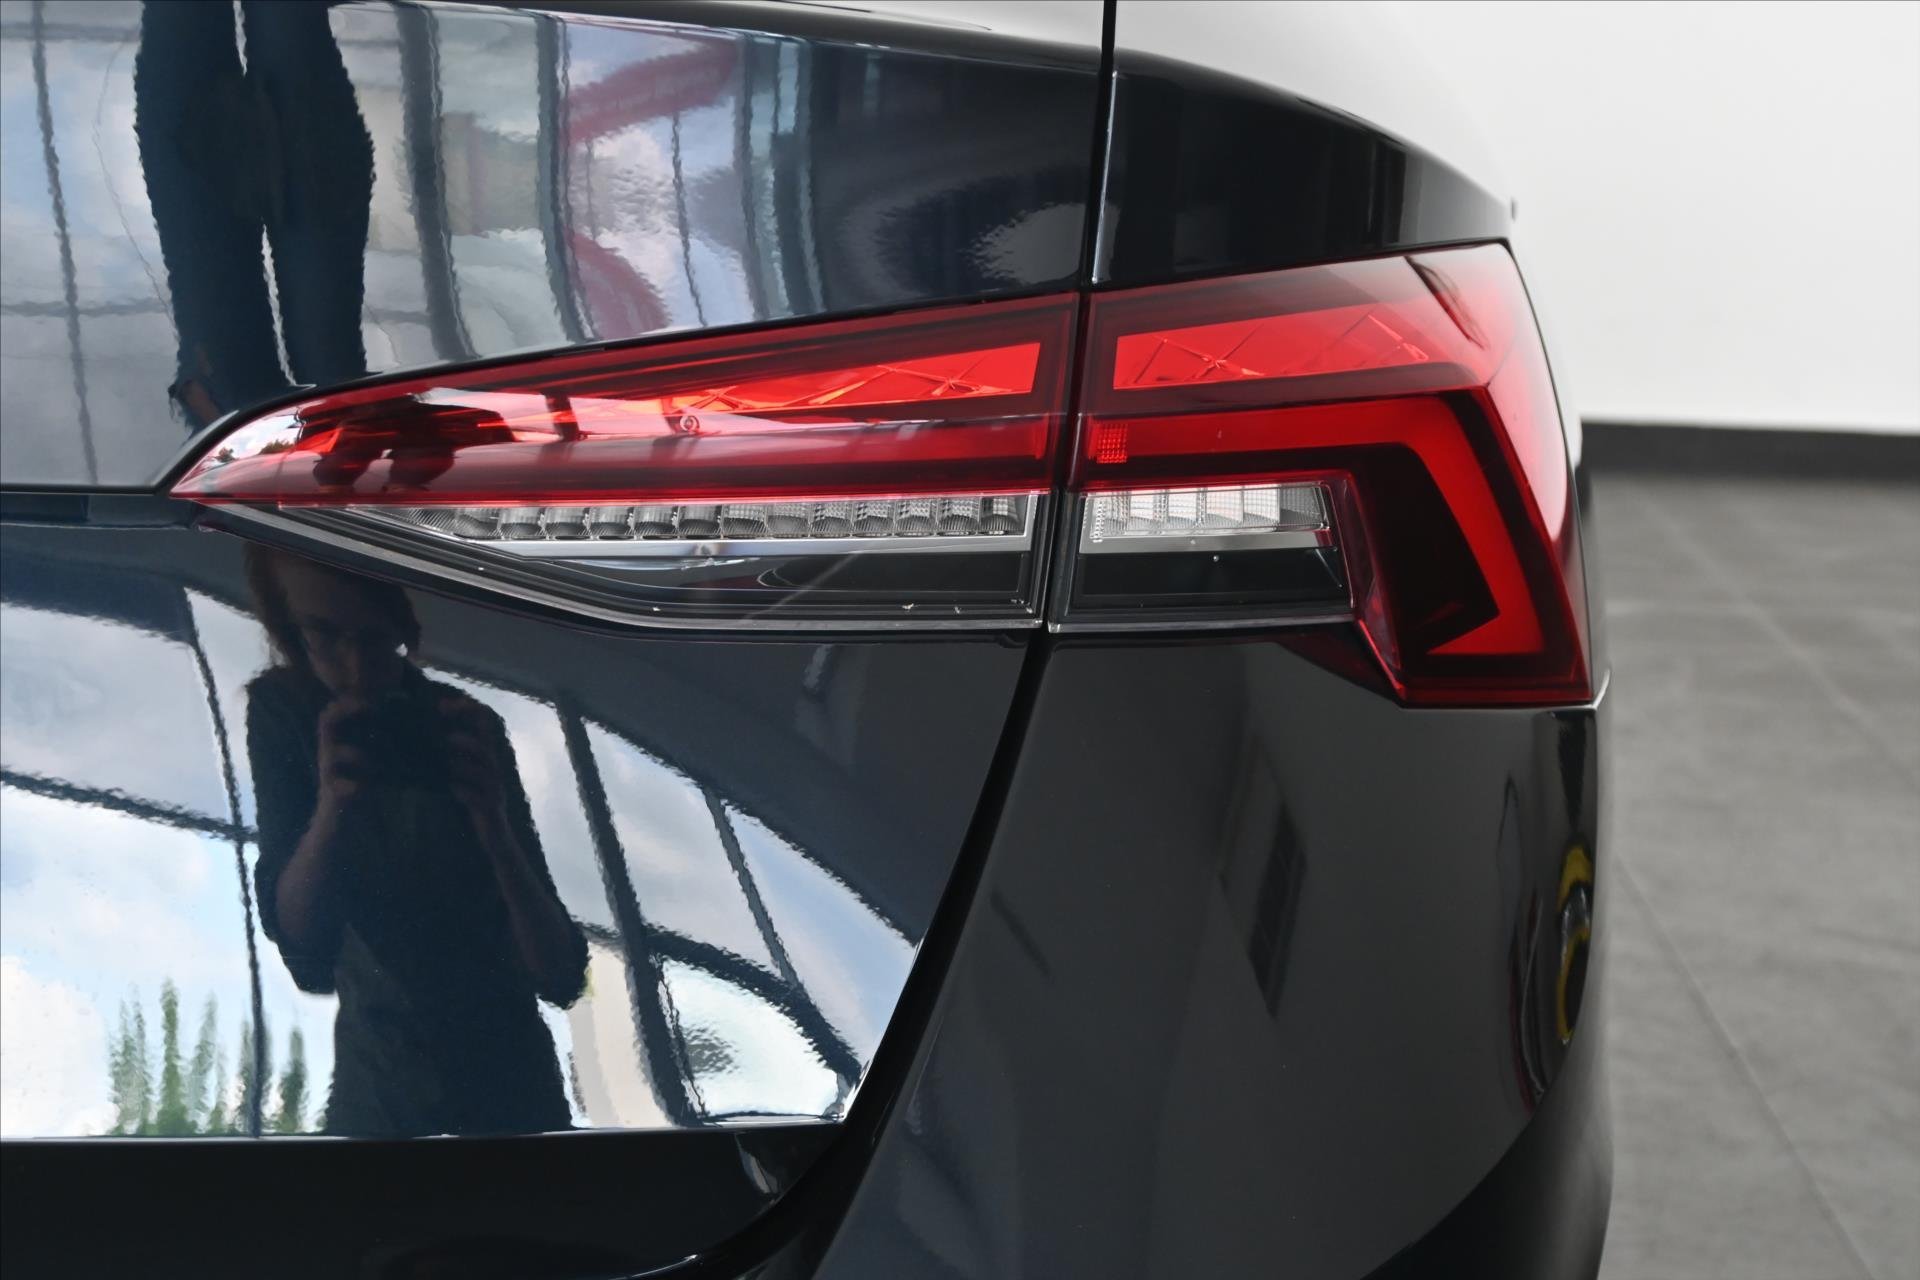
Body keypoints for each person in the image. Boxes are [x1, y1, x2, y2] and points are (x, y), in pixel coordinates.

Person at [244, 548, 587, 1137]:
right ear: (288, 630)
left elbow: (560, 972)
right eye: (325, 636)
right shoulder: (286, 716)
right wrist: (331, 808)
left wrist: (494, 828)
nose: (357, 669)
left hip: (498, 1084)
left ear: (403, 626)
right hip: (388, 1087)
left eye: (376, 639)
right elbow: (304, 951)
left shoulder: (462, 726)